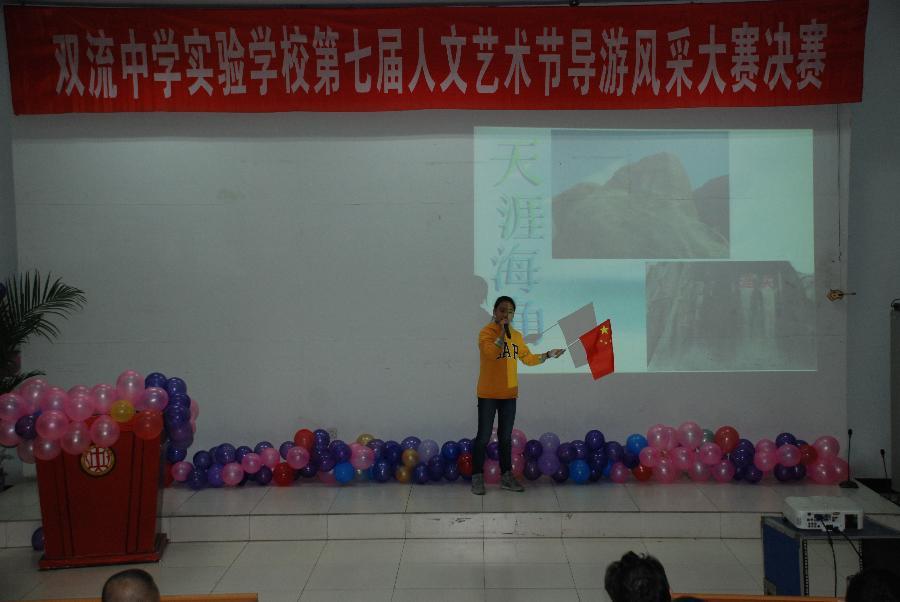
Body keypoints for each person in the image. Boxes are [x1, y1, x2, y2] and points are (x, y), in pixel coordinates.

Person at [471, 296, 565, 495]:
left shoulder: (516, 336)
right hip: (488, 393)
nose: (506, 314)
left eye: (510, 311)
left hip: (509, 394)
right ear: (495, 312)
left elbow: (528, 359)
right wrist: (502, 334)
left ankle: (506, 476)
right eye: (502, 310)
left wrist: (547, 355)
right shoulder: (486, 332)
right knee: (483, 437)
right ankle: (477, 476)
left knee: (505, 438)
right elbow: (490, 353)